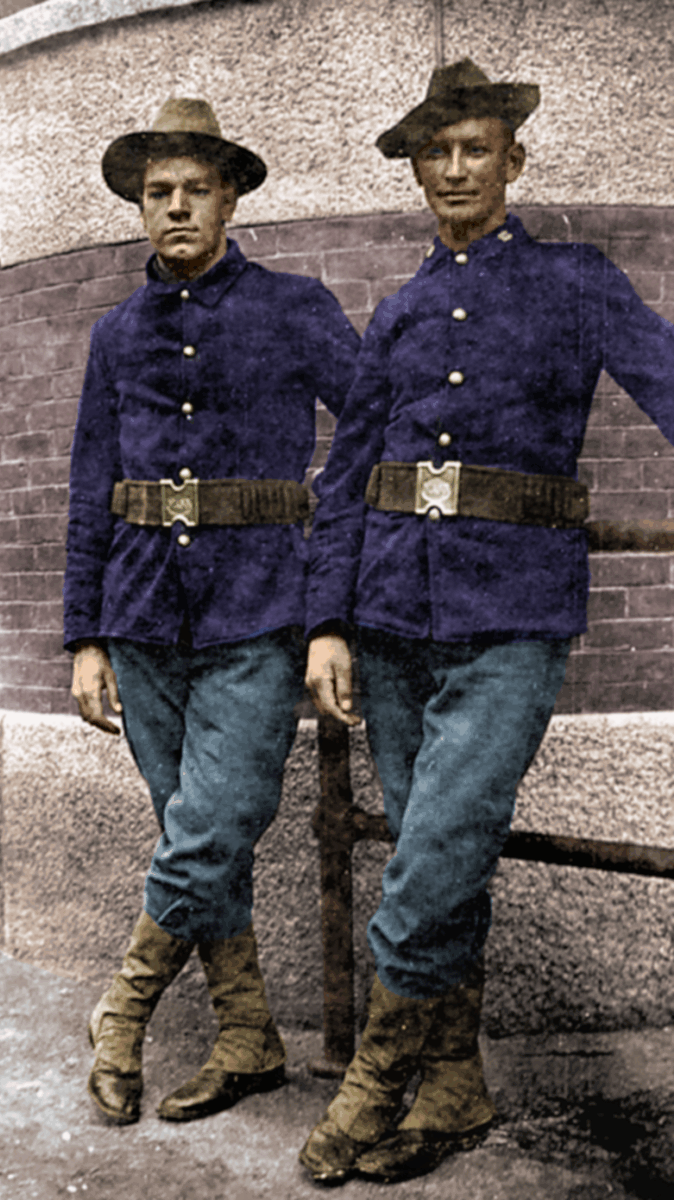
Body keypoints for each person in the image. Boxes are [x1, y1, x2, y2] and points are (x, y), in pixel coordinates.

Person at [299, 58, 674, 1185]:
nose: (454, 170)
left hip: (512, 613)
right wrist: (328, 623)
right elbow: (347, 474)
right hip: (394, 620)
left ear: (513, 159)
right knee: (431, 852)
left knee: (435, 853)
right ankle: (454, 1086)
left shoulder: (576, 281)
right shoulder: (403, 308)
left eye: (474, 149)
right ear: (416, 171)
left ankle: (374, 1081)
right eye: (435, 153)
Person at [64, 98, 360, 1127]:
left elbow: (367, 444)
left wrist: (332, 606)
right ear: (140, 210)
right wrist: (86, 636)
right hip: (141, 614)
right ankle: (247, 1035)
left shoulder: (296, 306)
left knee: (217, 816)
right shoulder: (116, 333)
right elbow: (88, 483)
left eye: (195, 190)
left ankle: (123, 1010)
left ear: (230, 199)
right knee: (192, 829)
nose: (176, 208)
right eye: (158, 194)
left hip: (259, 609)